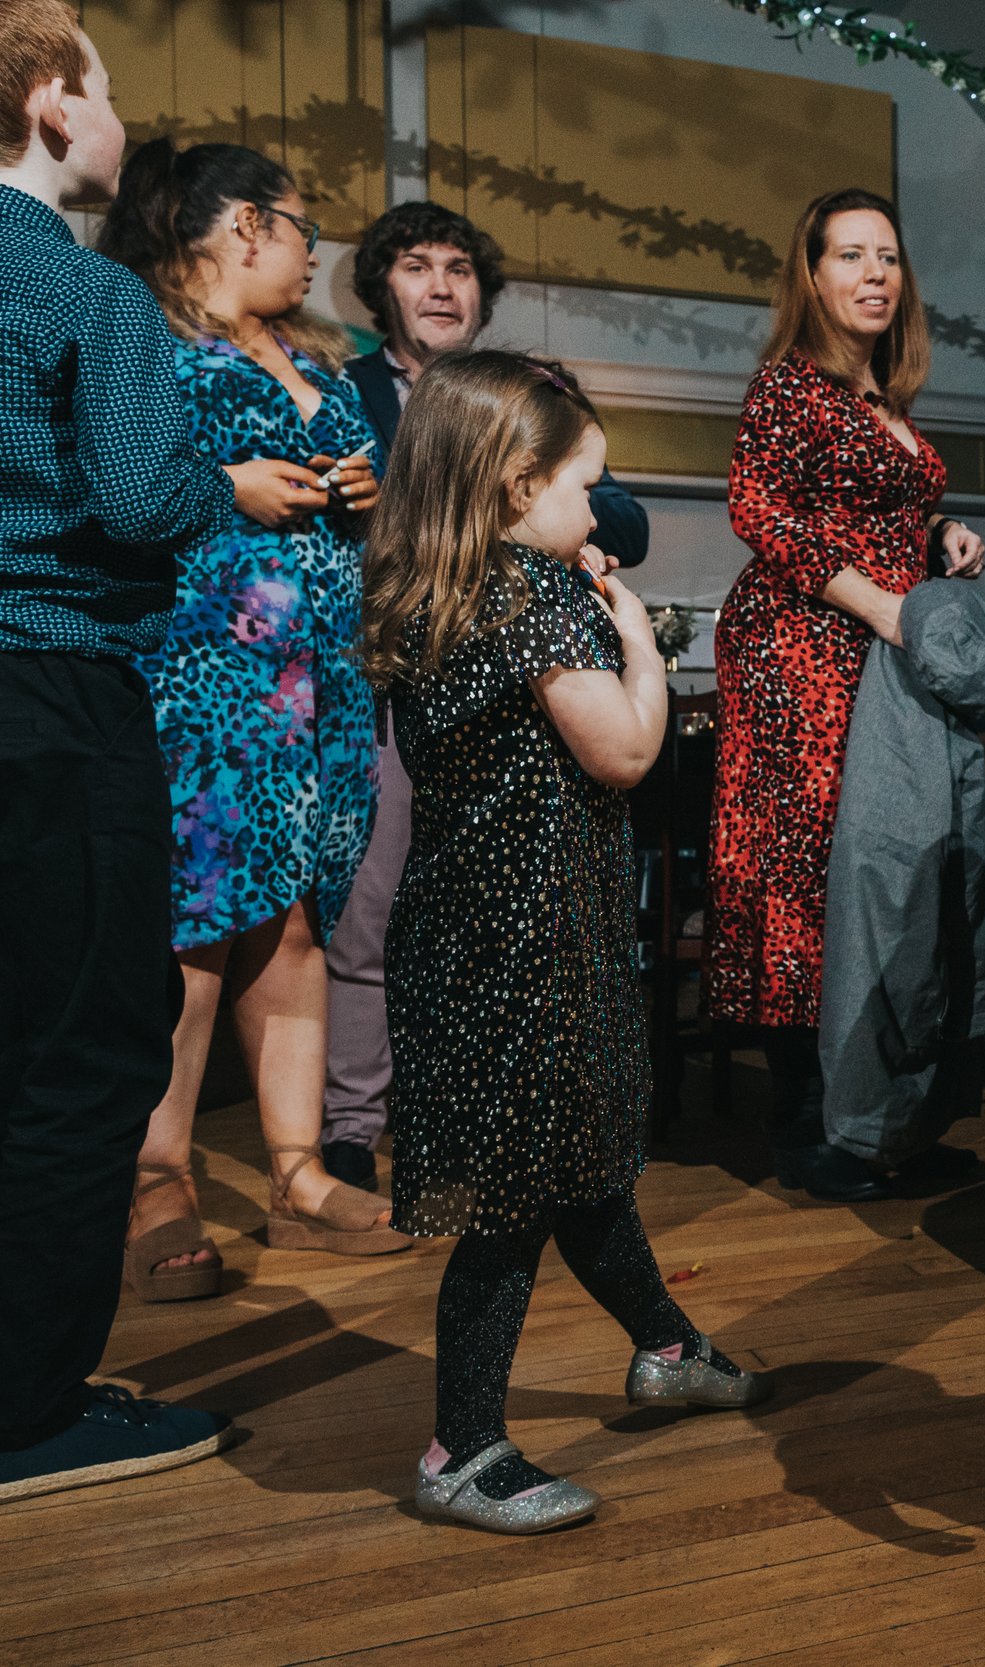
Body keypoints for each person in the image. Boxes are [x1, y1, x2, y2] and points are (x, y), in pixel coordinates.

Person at [364, 350, 771, 1532]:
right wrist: (638, 635)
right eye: (585, 485)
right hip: (529, 945)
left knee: (579, 1161)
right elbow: (628, 751)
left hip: (467, 934)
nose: (600, 511)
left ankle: (667, 1343)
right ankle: (464, 1446)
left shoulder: (432, 591)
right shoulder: (535, 596)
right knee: (512, 1202)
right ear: (512, 485)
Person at [0, 0, 240, 1501]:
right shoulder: (84, 294)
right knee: (82, 1054)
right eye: (107, 93)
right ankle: (29, 1408)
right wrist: (235, 489)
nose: (123, 124)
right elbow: (149, 498)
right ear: (46, 108)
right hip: (51, 693)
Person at [97, 138, 405, 1298]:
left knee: (293, 921)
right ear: (239, 226)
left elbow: (356, 483)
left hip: (318, 677)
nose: (311, 249)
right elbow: (117, 483)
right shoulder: (145, 336)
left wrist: (366, 494)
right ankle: (156, 1174)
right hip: (207, 672)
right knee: (194, 928)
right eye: (300, 227)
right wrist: (229, 486)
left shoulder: (310, 354)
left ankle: (296, 1171)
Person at [316, 200, 652, 1195]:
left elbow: (617, 509)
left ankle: (483, 1114)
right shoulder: (347, 392)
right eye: (417, 266)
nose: (439, 285)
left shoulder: (522, 396)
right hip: (395, 675)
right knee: (377, 910)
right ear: (383, 287)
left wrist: (554, 514)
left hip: (512, 684)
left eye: (457, 267)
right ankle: (356, 1120)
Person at [710, 187, 985, 1197]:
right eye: (851, 255)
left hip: (883, 653)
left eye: (889, 257)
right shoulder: (789, 386)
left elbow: (882, 508)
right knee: (813, 882)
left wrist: (940, 536)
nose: (875, 272)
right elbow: (761, 510)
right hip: (802, 656)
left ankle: (887, 1119)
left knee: (887, 879)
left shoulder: (884, 402)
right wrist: (878, 601)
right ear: (813, 275)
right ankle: (812, 1129)